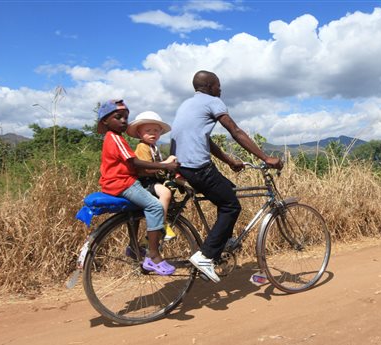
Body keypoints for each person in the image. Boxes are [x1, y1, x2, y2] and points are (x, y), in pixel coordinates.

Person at [170, 70, 283, 283]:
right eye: (218, 85)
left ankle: (220, 245)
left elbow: (205, 141)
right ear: (211, 86)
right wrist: (265, 157)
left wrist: (229, 161)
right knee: (232, 206)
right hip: (198, 168)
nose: (220, 89)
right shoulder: (213, 102)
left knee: (229, 190)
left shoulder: (187, 105)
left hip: (182, 166)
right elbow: (236, 131)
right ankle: (206, 256)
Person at [97, 99, 180, 275]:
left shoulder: (114, 138)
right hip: (123, 182)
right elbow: (134, 162)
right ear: (105, 121)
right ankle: (153, 256)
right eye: (118, 117)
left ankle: (135, 246)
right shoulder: (116, 139)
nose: (123, 121)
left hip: (119, 182)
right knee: (155, 206)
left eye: (126, 118)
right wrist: (165, 166)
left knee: (140, 210)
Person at [127, 111, 177, 241]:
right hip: (145, 181)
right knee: (165, 193)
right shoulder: (142, 147)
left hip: (152, 180)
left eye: (156, 130)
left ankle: (148, 237)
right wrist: (166, 163)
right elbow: (148, 168)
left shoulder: (153, 147)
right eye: (148, 130)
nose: (152, 133)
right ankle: (161, 226)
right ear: (139, 133)